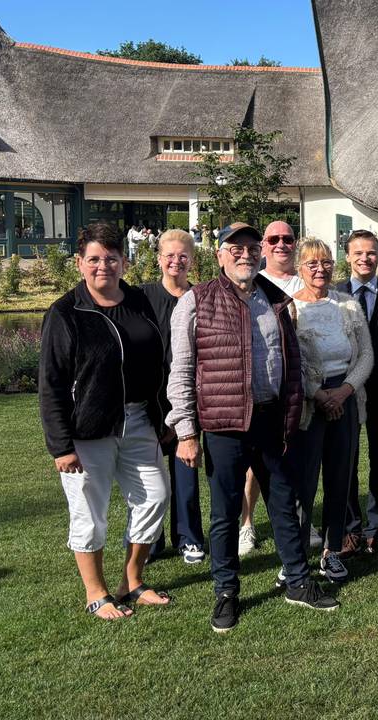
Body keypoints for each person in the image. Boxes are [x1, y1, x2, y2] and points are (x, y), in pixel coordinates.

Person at [167, 222, 338, 633]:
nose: (244, 255)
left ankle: (297, 581)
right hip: (225, 424)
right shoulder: (196, 301)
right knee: (225, 512)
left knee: (283, 503)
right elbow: (182, 370)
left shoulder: (276, 299)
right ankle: (226, 592)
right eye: (234, 248)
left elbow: (291, 362)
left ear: (260, 253)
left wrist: (293, 412)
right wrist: (187, 431)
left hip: (271, 420)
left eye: (250, 247)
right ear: (220, 255)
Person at [39, 222, 170, 620]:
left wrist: (164, 416)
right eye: (93, 259)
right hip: (88, 430)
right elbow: (52, 383)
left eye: (111, 259)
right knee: (89, 513)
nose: (103, 267)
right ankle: (96, 593)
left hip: (139, 421)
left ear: (123, 261)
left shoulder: (139, 301)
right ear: (79, 263)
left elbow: (159, 362)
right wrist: (61, 446)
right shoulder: (66, 312)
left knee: (155, 496)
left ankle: (132, 580)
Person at [288, 238, 374, 582]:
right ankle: (295, 555)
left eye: (325, 263)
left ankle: (332, 550)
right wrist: (319, 394)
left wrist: (344, 391)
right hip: (310, 404)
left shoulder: (349, 305)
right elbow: (290, 362)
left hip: (347, 397)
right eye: (312, 264)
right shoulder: (290, 309)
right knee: (303, 482)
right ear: (300, 269)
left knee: (341, 477)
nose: (320, 269)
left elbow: (366, 355)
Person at [240, 219, 314, 555]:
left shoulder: (306, 280)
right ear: (264, 246)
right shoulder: (253, 282)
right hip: (261, 388)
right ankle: (247, 523)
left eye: (287, 238)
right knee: (254, 468)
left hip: (297, 385)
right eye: (274, 239)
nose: (281, 244)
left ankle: (301, 517)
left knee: (294, 459)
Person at [139, 229, 205, 565]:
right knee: (149, 477)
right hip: (148, 400)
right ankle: (151, 539)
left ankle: (189, 538)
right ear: (158, 258)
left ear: (192, 260)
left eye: (183, 256)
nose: (176, 261)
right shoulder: (141, 297)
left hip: (187, 400)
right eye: (169, 255)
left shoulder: (200, 298)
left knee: (185, 472)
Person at [337, 230, 378, 557]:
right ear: (347, 256)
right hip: (345, 392)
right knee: (344, 462)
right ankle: (349, 530)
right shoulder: (334, 295)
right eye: (358, 253)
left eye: (371, 253)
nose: (365, 258)